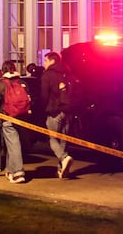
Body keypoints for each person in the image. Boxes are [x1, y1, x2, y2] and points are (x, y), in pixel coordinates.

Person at [0, 59, 29, 184]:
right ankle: (10, 170)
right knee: (12, 144)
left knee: (13, 145)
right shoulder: (22, 82)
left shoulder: (1, 84)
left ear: (3, 70)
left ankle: (18, 172)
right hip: (22, 117)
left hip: (7, 117)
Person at [40, 50, 75, 179]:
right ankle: (62, 170)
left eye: (45, 60)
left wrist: (43, 109)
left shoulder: (48, 75)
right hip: (68, 110)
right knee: (63, 141)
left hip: (54, 111)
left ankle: (64, 158)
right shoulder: (68, 73)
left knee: (53, 138)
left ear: (52, 61)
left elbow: (44, 95)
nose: (44, 63)